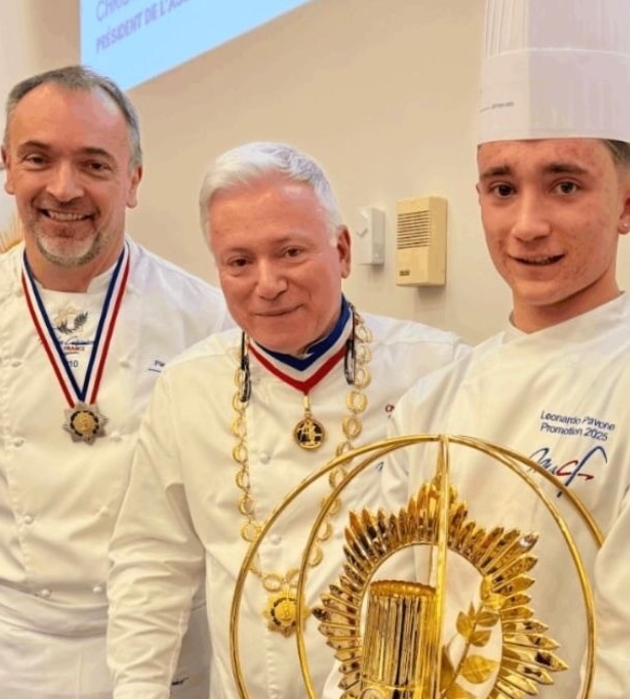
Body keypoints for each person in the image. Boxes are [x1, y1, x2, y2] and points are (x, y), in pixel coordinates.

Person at [352, 0, 630, 698]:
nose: (528, 224)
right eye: (503, 188)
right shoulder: (435, 400)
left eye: (565, 185)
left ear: (628, 204)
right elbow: (390, 619)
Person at [104, 141, 471, 699]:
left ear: (342, 251)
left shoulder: (438, 370)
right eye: (239, 262)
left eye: (291, 252)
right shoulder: (186, 387)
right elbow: (151, 561)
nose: (268, 283)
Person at [0, 65, 227, 699]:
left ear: (132, 179)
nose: (63, 188)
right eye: (38, 158)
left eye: (94, 164)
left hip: (164, 640)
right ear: (8, 167)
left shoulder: (202, 316)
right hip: (20, 649)